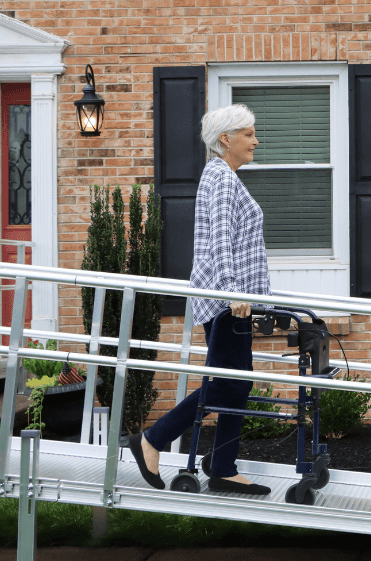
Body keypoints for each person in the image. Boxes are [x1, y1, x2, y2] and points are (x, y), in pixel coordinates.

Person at [127, 103, 271, 495]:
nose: (255, 141)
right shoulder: (221, 178)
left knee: (236, 384)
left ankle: (223, 466)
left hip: (233, 299)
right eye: (249, 133)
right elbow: (221, 239)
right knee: (228, 383)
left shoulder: (222, 176)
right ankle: (153, 440)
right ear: (226, 139)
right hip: (228, 300)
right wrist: (232, 293)